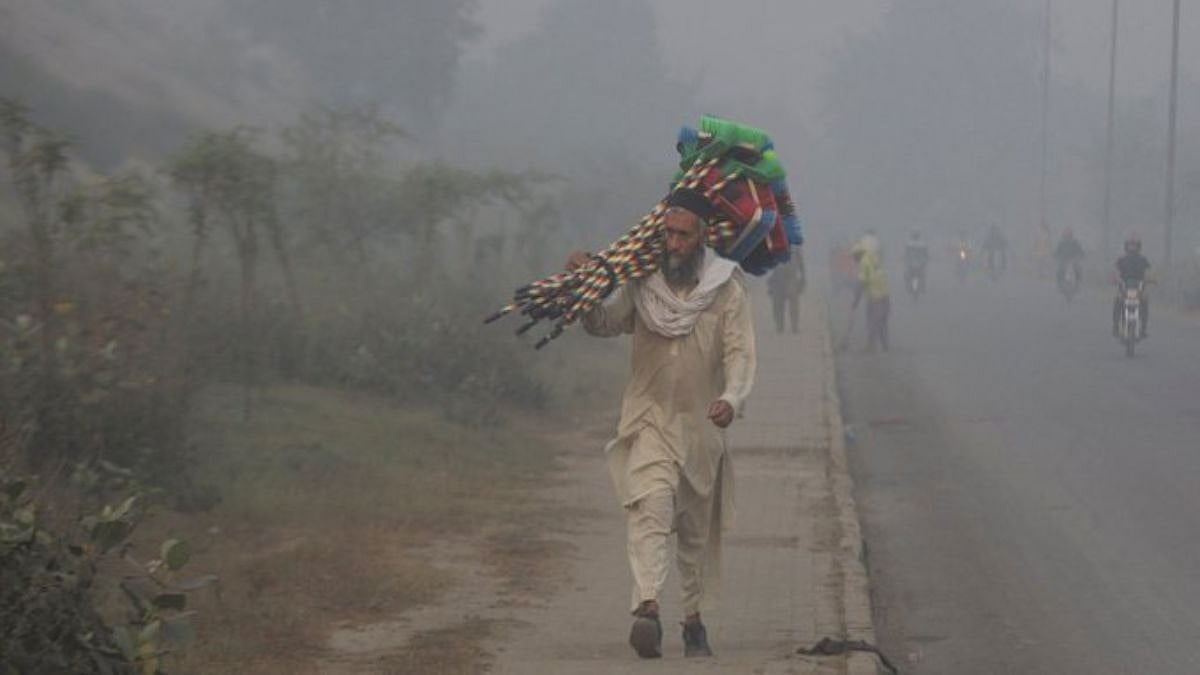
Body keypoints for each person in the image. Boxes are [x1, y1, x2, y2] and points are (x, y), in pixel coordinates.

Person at [568, 187, 756, 659]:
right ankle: (647, 608)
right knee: (649, 507)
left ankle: (693, 621)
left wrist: (731, 399)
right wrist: (582, 292)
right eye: (668, 233)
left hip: (701, 429)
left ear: (702, 237)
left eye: (682, 235)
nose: (673, 243)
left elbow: (740, 355)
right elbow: (605, 324)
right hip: (648, 419)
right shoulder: (642, 282)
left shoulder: (725, 289)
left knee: (693, 532)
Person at [852, 238, 891, 352]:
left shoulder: (864, 262)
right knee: (882, 321)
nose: (854, 260)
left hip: (875, 295)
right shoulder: (873, 258)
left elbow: (862, 282)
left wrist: (856, 300)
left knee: (873, 322)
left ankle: (871, 346)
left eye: (854, 257)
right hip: (885, 293)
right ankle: (885, 346)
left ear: (858, 254)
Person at [1113, 234, 1151, 338]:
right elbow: (1115, 272)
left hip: (1139, 288)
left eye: (1134, 245)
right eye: (1130, 245)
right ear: (1126, 246)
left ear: (1139, 247)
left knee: (1144, 303)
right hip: (1124, 287)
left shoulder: (1143, 260)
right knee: (1117, 302)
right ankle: (1115, 326)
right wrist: (1115, 279)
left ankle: (1143, 328)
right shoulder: (1121, 260)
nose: (1132, 247)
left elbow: (1148, 272)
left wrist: (1150, 279)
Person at [767, 254, 804, 333]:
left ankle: (794, 326)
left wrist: (803, 280)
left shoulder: (795, 247)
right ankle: (780, 326)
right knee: (778, 305)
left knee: (792, 305)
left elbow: (801, 265)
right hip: (778, 278)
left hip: (790, 278)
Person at [903, 230, 929, 296]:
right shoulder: (921, 244)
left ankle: (920, 287)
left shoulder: (910, 244)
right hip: (918, 264)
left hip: (916, 264)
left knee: (921, 276)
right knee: (920, 276)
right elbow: (926, 254)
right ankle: (921, 287)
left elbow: (906, 254)